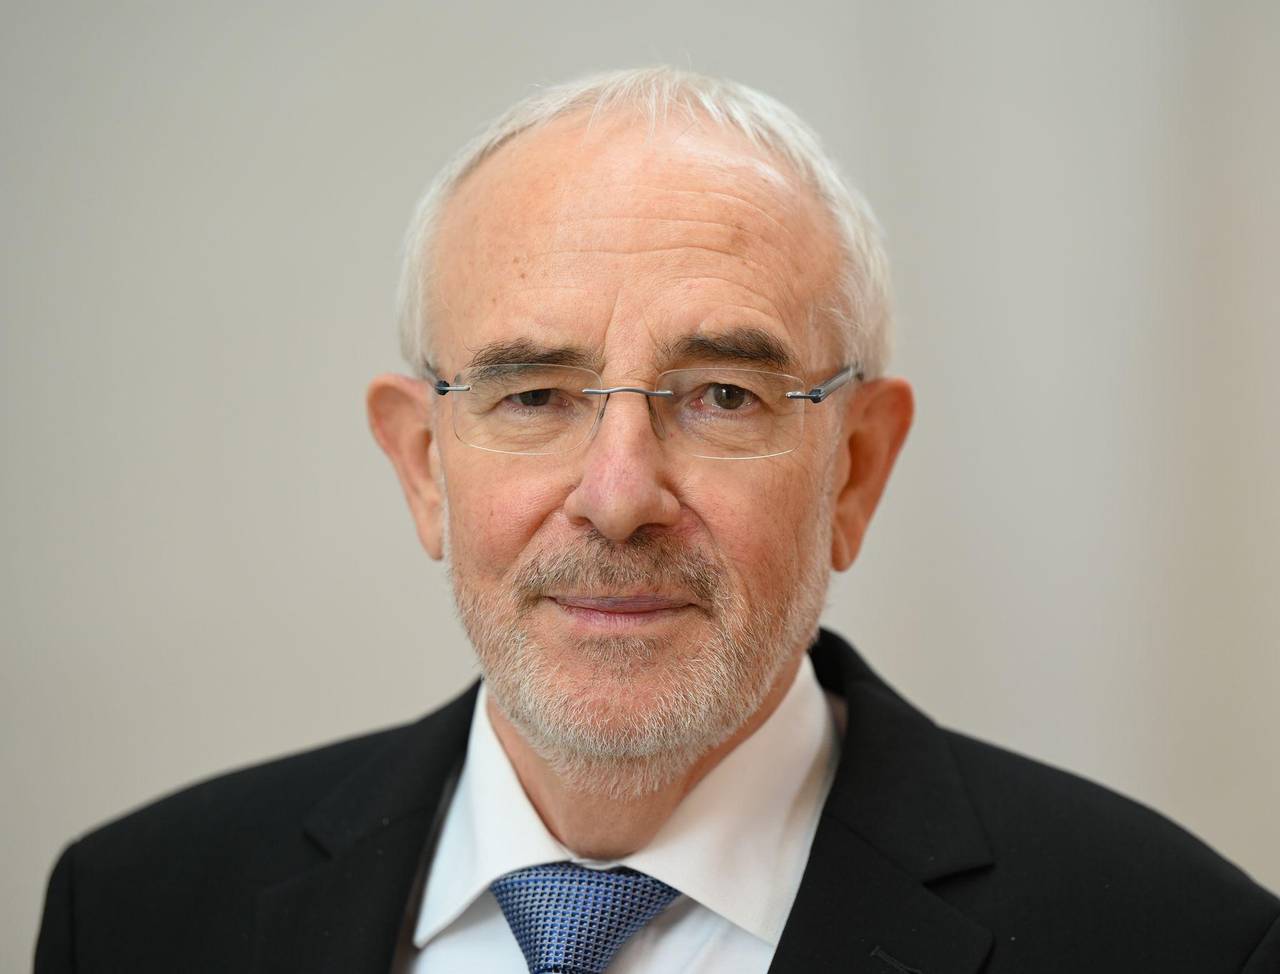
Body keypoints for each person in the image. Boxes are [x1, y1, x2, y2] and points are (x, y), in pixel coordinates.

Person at [34, 67, 1279, 974]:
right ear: (422, 465)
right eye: (534, 395)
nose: (619, 495)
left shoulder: (1177, 943)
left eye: (721, 395)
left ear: (853, 469)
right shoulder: (136, 911)